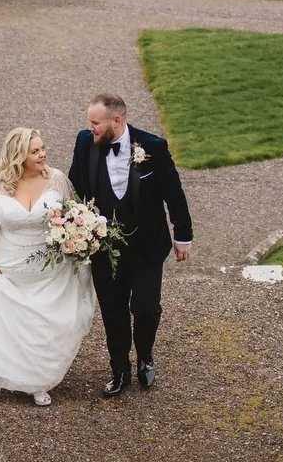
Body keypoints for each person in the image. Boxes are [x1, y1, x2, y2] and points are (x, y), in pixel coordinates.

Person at [69, 93, 193, 397]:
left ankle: (145, 357)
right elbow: (76, 181)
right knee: (113, 310)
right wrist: (81, 223)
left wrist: (183, 234)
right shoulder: (86, 142)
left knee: (146, 308)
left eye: (96, 122)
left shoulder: (152, 147)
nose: (91, 128)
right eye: (90, 122)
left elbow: (173, 192)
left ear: (117, 121)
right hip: (104, 246)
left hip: (146, 244)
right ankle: (119, 369)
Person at [0, 127, 96, 406]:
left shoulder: (57, 179)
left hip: (50, 268)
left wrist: (78, 240)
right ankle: (15, 373)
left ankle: (39, 380)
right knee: (14, 324)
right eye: (35, 151)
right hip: (10, 267)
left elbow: (75, 216)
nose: (43, 154)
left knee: (45, 323)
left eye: (43, 148)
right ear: (19, 155)